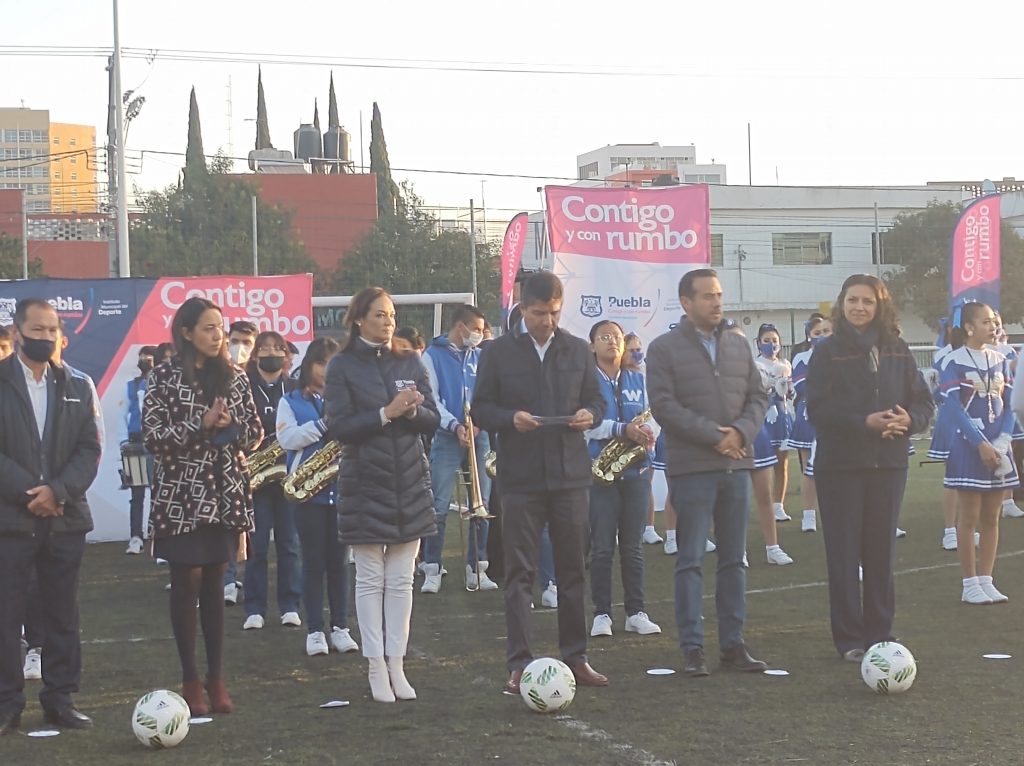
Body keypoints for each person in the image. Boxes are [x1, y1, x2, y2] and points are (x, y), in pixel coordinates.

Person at [473, 271, 609, 695]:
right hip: (520, 479)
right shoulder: (497, 353)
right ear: (521, 305)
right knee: (520, 575)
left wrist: (592, 414)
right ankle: (519, 663)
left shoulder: (577, 350)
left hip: (570, 478)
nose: (546, 321)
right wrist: (509, 419)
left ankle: (576, 657)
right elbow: (480, 408)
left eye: (553, 313)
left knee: (572, 572)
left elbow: (597, 399)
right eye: (538, 313)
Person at [646, 268, 769, 677]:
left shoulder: (737, 343)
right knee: (691, 559)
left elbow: (757, 395)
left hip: (736, 465)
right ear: (686, 303)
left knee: (735, 560)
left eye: (718, 295)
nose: (716, 302)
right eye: (707, 296)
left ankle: (733, 645)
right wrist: (714, 437)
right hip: (693, 468)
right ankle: (693, 648)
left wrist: (740, 433)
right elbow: (664, 405)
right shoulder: (664, 349)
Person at [143, 297, 263, 715]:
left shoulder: (234, 377)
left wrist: (231, 426)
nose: (218, 335)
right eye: (209, 328)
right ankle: (190, 679)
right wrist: (201, 424)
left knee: (215, 581)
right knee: (186, 581)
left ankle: (217, 678)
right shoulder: (162, 378)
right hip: (181, 495)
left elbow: (255, 434)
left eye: (221, 328)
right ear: (187, 332)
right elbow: (153, 436)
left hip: (224, 491)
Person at [806, 274, 933, 660]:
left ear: (880, 307)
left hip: (889, 466)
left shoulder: (898, 349)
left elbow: (924, 403)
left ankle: (881, 634)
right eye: (852, 300)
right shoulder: (826, 351)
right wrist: (865, 421)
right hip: (840, 467)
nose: (859, 307)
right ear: (841, 304)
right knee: (844, 555)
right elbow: (818, 410)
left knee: (881, 555)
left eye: (868, 301)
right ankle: (849, 640)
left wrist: (908, 420)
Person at [324, 287, 439, 703]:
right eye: (379, 315)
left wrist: (411, 411)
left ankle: (398, 664)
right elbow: (340, 427)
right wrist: (384, 414)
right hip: (364, 482)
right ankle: (375, 665)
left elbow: (433, 419)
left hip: (409, 480)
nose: (388, 321)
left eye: (391, 314)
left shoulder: (410, 360)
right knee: (371, 579)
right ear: (359, 319)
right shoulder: (341, 366)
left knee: (402, 580)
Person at [0, 298, 102, 733]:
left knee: (63, 614)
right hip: (11, 521)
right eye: (36, 329)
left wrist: (57, 491)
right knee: (6, 615)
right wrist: (31, 494)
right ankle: (7, 703)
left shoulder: (79, 383)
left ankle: (60, 698)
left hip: (65, 520)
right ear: (17, 332)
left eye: (51, 330)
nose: (44, 337)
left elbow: (90, 449)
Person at [277, 337, 359, 655]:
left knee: (339, 563)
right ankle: (314, 630)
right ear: (309, 364)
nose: (326, 370)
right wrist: (324, 424)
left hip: (342, 490)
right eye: (321, 362)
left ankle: (341, 627)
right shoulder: (291, 399)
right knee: (312, 564)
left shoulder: (348, 398)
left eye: (332, 363)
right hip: (307, 490)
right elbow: (287, 438)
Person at [585, 320, 661, 638]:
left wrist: (648, 434)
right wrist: (622, 430)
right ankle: (602, 613)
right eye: (604, 337)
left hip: (636, 471)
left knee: (632, 547)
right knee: (602, 547)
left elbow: (653, 416)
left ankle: (636, 612)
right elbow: (588, 424)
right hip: (600, 473)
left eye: (616, 337)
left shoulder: (637, 379)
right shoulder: (585, 382)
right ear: (592, 346)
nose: (612, 342)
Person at [940, 303, 1017, 604]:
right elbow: (954, 407)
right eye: (986, 321)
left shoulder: (999, 359)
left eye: (995, 322)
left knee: (992, 517)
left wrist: (1004, 440)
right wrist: (980, 443)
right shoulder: (953, 360)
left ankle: (987, 578)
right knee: (969, 516)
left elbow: (1010, 403)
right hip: (969, 446)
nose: (994, 327)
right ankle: (969, 582)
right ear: (969, 326)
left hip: (999, 447)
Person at [420, 304, 497, 593]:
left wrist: (478, 422)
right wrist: (455, 426)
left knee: (482, 503)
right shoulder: (432, 355)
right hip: (447, 436)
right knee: (438, 503)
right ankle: (432, 567)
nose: (479, 335)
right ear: (460, 327)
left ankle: (477, 567)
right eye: (476, 329)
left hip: (480, 435)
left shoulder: (482, 355)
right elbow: (431, 398)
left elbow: (490, 393)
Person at [240, 331, 302, 629]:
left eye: (277, 348)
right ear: (255, 355)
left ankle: (290, 604)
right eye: (264, 348)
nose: (271, 353)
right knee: (258, 546)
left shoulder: (294, 387)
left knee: (289, 544)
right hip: (255, 478)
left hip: (288, 475)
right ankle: (254, 607)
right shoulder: (243, 385)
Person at [752, 324, 795, 565]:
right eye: (766, 340)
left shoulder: (785, 364)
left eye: (775, 339)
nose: (772, 343)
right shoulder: (755, 365)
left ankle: (778, 504)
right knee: (762, 466)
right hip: (762, 416)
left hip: (781, 414)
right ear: (758, 343)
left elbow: (789, 392)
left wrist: (787, 392)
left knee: (782, 462)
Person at [788, 316, 832, 532]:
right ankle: (809, 515)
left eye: (826, 332)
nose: (822, 337)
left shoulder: (842, 356)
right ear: (809, 336)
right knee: (809, 468)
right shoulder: (802, 358)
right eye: (817, 333)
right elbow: (802, 386)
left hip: (837, 417)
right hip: (809, 413)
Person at [120, 346, 158, 555]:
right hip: (135, 443)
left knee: (158, 492)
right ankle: (136, 537)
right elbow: (122, 414)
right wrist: (122, 441)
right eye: (142, 357)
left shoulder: (164, 383)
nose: (145, 360)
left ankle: (156, 538)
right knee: (137, 493)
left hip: (157, 444)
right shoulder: (131, 386)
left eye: (149, 357)